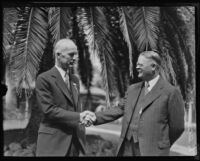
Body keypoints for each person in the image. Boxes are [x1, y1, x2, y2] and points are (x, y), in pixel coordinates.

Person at [84, 51, 185, 156]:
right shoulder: (132, 89)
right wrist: (95, 117)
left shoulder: (171, 92)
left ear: (153, 66)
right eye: (137, 64)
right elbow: (119, 109)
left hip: (152, 152)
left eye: (140, 65)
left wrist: (161, 145)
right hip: (127, 148)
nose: (137, 67)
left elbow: (177, 127)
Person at [35, 38, 90, 156]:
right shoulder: (44, 79)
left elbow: (75, 107)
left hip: (74, 143)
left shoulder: (75, 80)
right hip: (53, 144)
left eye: (76, 54)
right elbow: (49, 110)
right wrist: (79, 116)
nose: (75, 58)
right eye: (71, 54)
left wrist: (83, 118)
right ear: (58, 55)